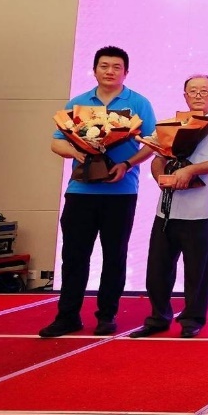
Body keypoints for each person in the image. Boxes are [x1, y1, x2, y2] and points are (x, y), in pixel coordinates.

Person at [41, 46, 157, 338]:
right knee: (74, 255)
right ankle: (67, 316)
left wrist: (127, 164)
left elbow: (152, 143)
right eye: (104, 66)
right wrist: (77, 152)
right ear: (94, 70)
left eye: (116, 67)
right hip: (81, 191)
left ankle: (107, 316)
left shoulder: (138, 103)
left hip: (121, 191)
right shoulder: (78, 103)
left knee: (114, 256)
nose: (110, 71)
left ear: (126, 72)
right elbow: (56, 141)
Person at [131, 75, 208, 339]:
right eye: (193, 91)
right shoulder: (170, 124)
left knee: (197, 271)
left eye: (204, 91)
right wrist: (161, 178)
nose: (198, 95)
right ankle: (158, 317)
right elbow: (157, 157)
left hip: (201, 210)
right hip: (167, 210)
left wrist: (190, 170)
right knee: (158, 269)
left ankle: (192, 320)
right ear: (185, 96)